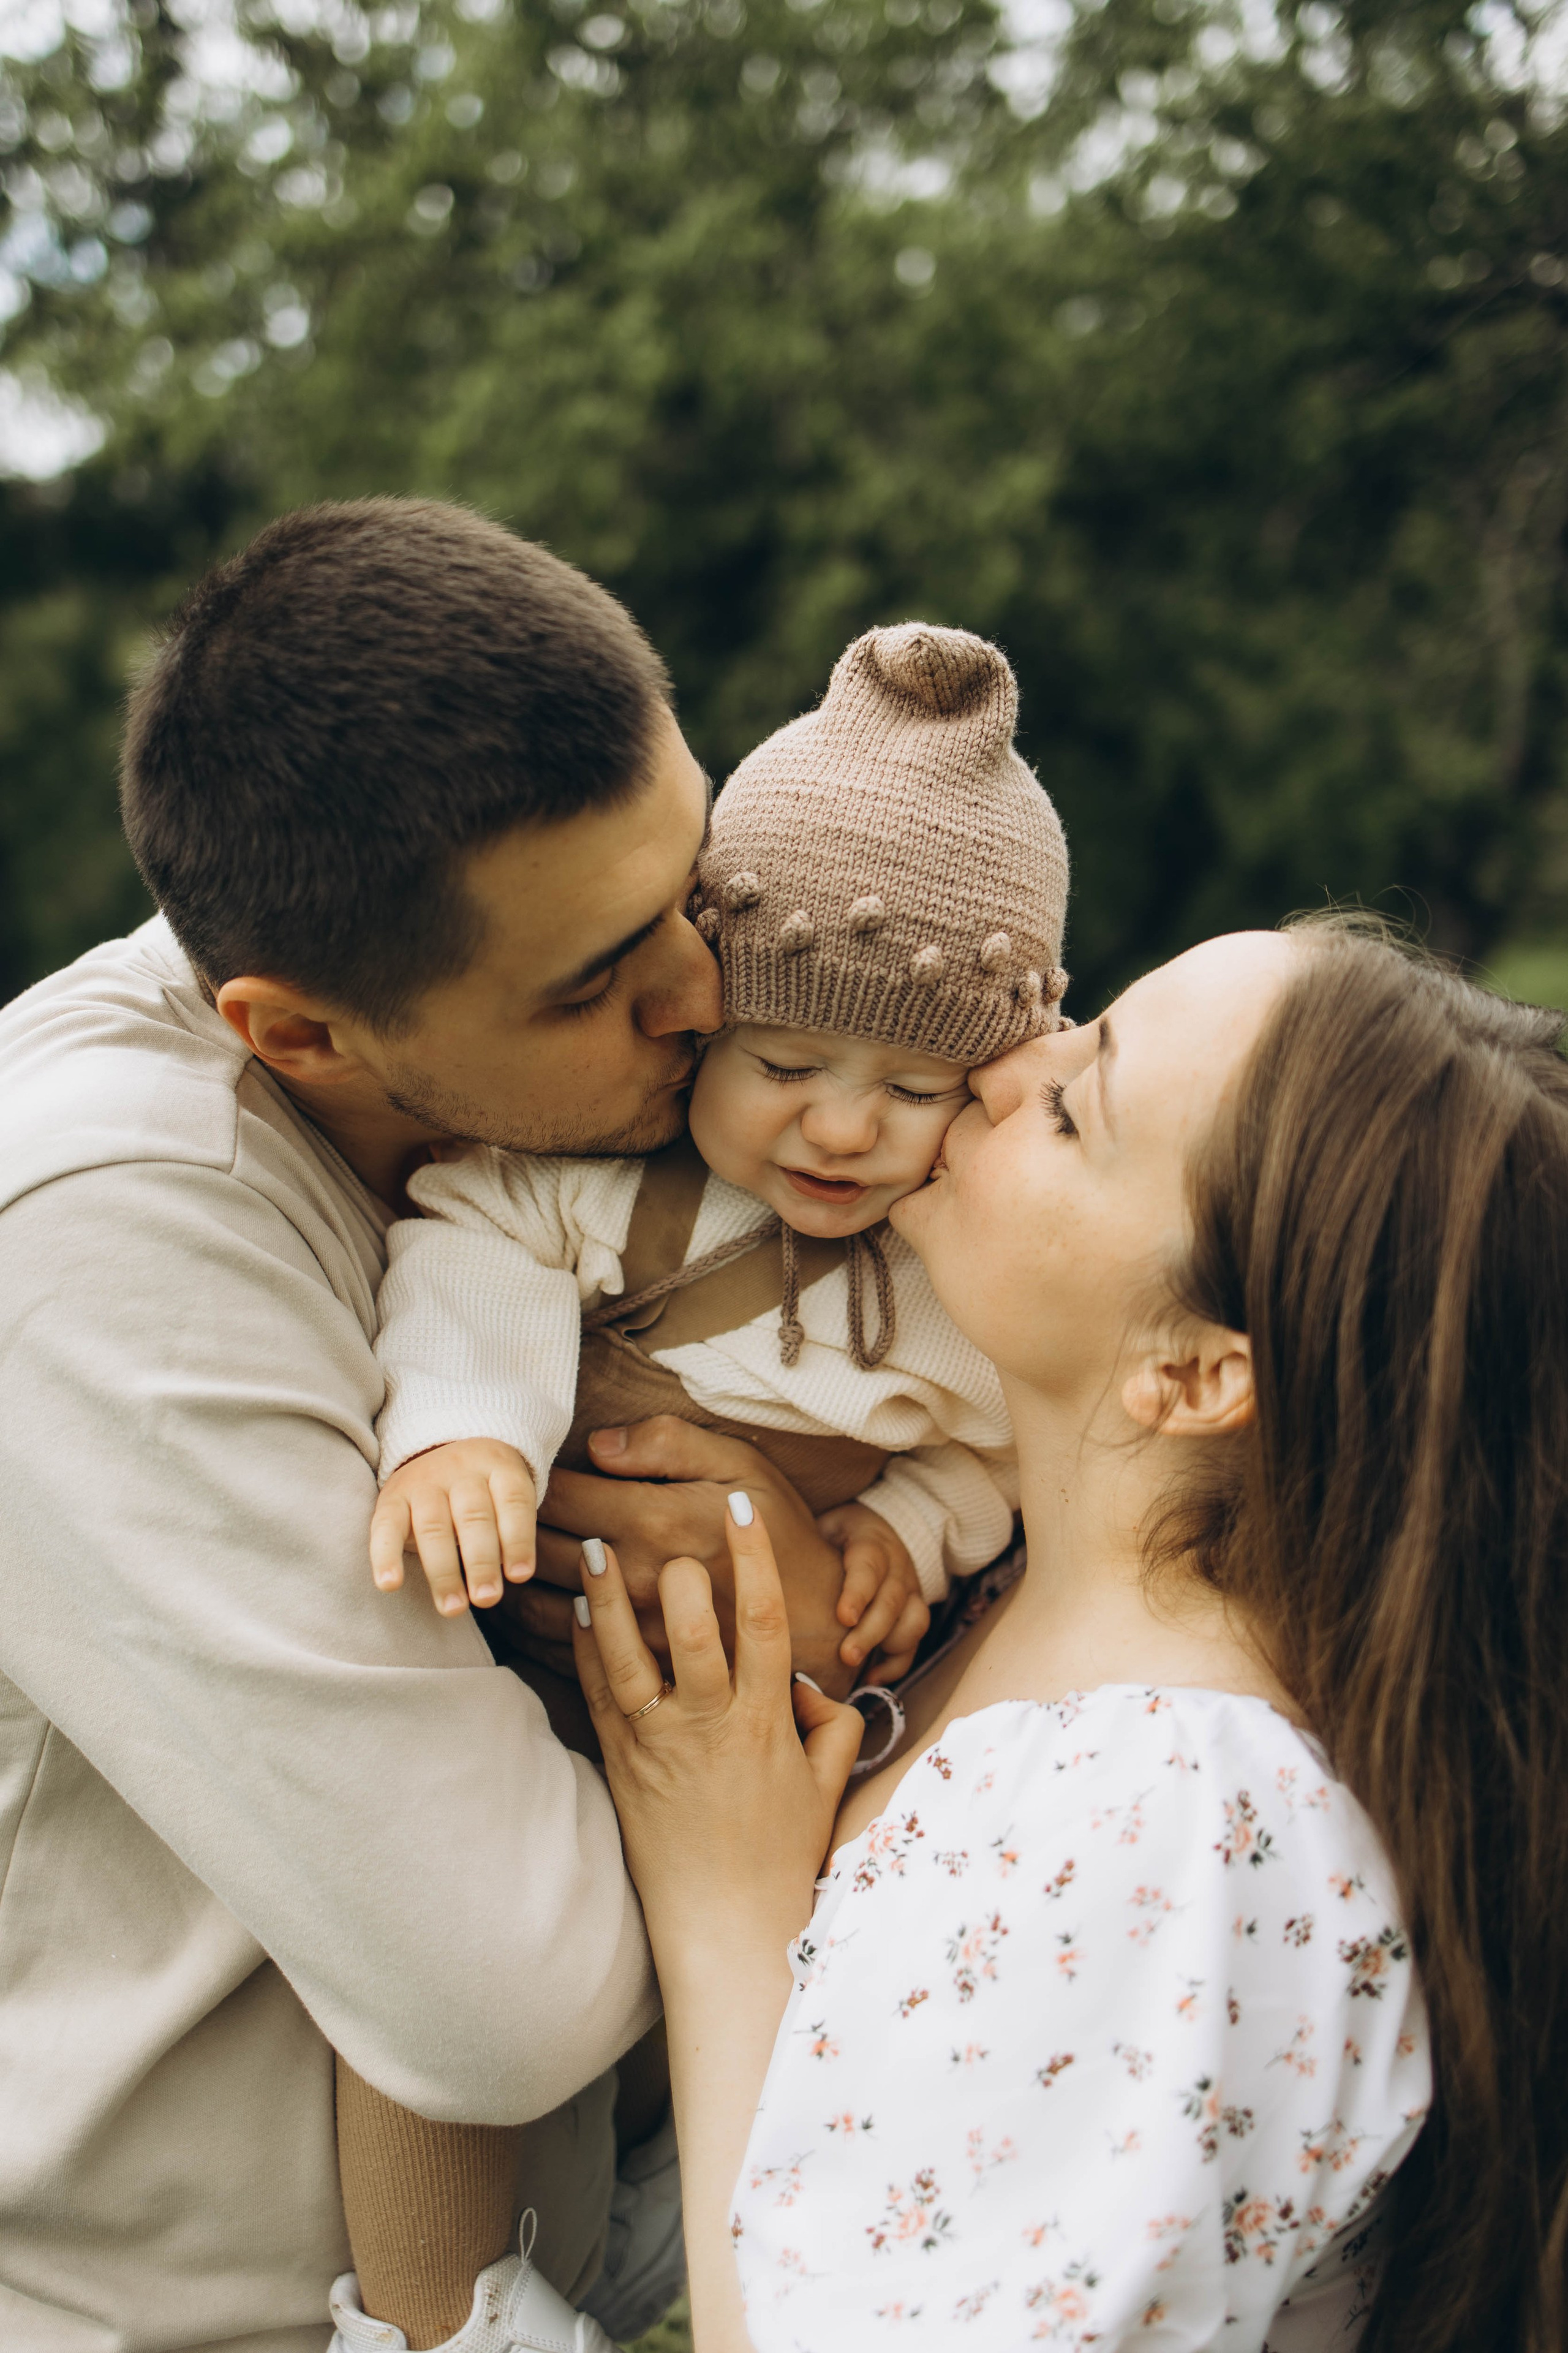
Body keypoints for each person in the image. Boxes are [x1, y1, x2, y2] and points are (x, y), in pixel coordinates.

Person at [0, 497, 865, 2353]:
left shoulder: (600, 1107)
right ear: (296, 1035)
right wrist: (784, 1635)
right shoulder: (90, 1234)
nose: (708, 999)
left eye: (690, 893)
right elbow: (508, 1987)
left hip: (589, 2251)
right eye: (594, 981)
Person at [573, 917, 1568, 2349]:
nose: (997, 1061)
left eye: (1073, 1099)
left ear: (1191, 1369)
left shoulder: (1177, 1822)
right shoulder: (1018, 1605)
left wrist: (727, 1912)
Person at [326, 622, 1070, 2349]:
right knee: (441, 1977)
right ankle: (441, 2315)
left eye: (913, 1090)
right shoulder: (613, 1188)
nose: (839, 1131)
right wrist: (468, 1435)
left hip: (756, 1730)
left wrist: (906, 1527)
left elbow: (986, 1443)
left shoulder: (960, 1275)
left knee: (746, 1961)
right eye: (789, 1066)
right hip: (534, 1669)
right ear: (712, 1019)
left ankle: (677, 2194)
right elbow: (476, 1251)